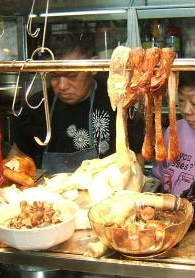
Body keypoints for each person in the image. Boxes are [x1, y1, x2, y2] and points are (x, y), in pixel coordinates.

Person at [10, 26, 143, 174]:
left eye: (71, 75)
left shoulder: (117, 104)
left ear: (93, 67)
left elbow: (137, 161)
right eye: (53, 76)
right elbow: (16, 158)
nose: (62, 86)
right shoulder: (37, 105)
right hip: (48, 194)